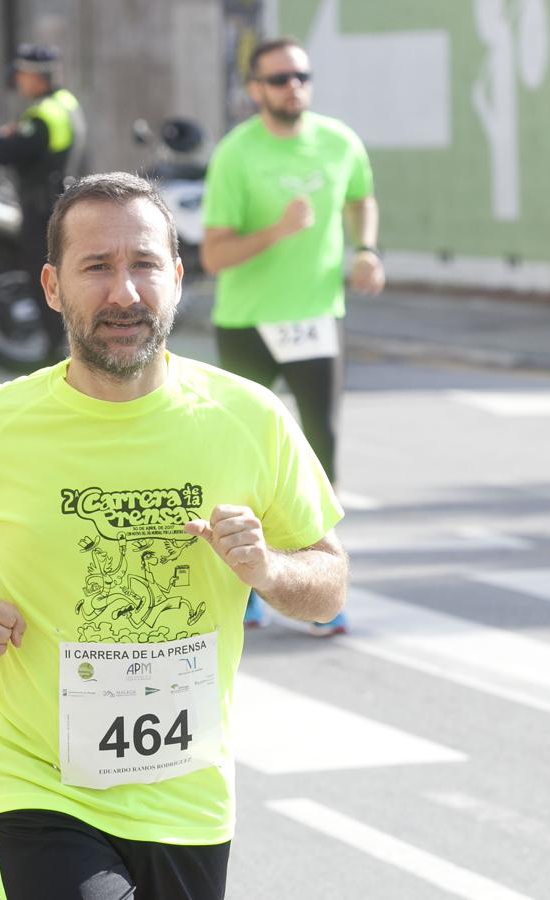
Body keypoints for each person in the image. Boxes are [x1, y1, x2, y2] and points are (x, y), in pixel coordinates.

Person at [0, 172, 347, 900]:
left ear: (177, 278)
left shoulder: (249, 419)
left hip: (188, 801)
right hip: (39, 786)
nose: (124, 293)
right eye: (96, 267)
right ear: (51, 286)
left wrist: (269, 571)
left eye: (144, 265)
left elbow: (328, 587)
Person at [199, 38, 382, 635]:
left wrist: (365, 251)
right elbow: (214, 253)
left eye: (301, 75)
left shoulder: (339, 141)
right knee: (242, 456)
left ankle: (316, 584)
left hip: (316, 318)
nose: (292, 87)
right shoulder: (236, 154)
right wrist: (278, 231)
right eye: (278, 79)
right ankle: (248, 581)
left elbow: (361, 199)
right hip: (248, 321)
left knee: (320, 452)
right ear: (255, 89)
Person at [0, 43, 87, 357]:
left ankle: (55, 351)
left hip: (42, 209)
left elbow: (11, 151)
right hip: (60, 202)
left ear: (34, 77)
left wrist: (3, 140)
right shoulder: (66, 103)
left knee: (44, 280)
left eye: (21, 75)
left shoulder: (43, 114)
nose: (19, 81)